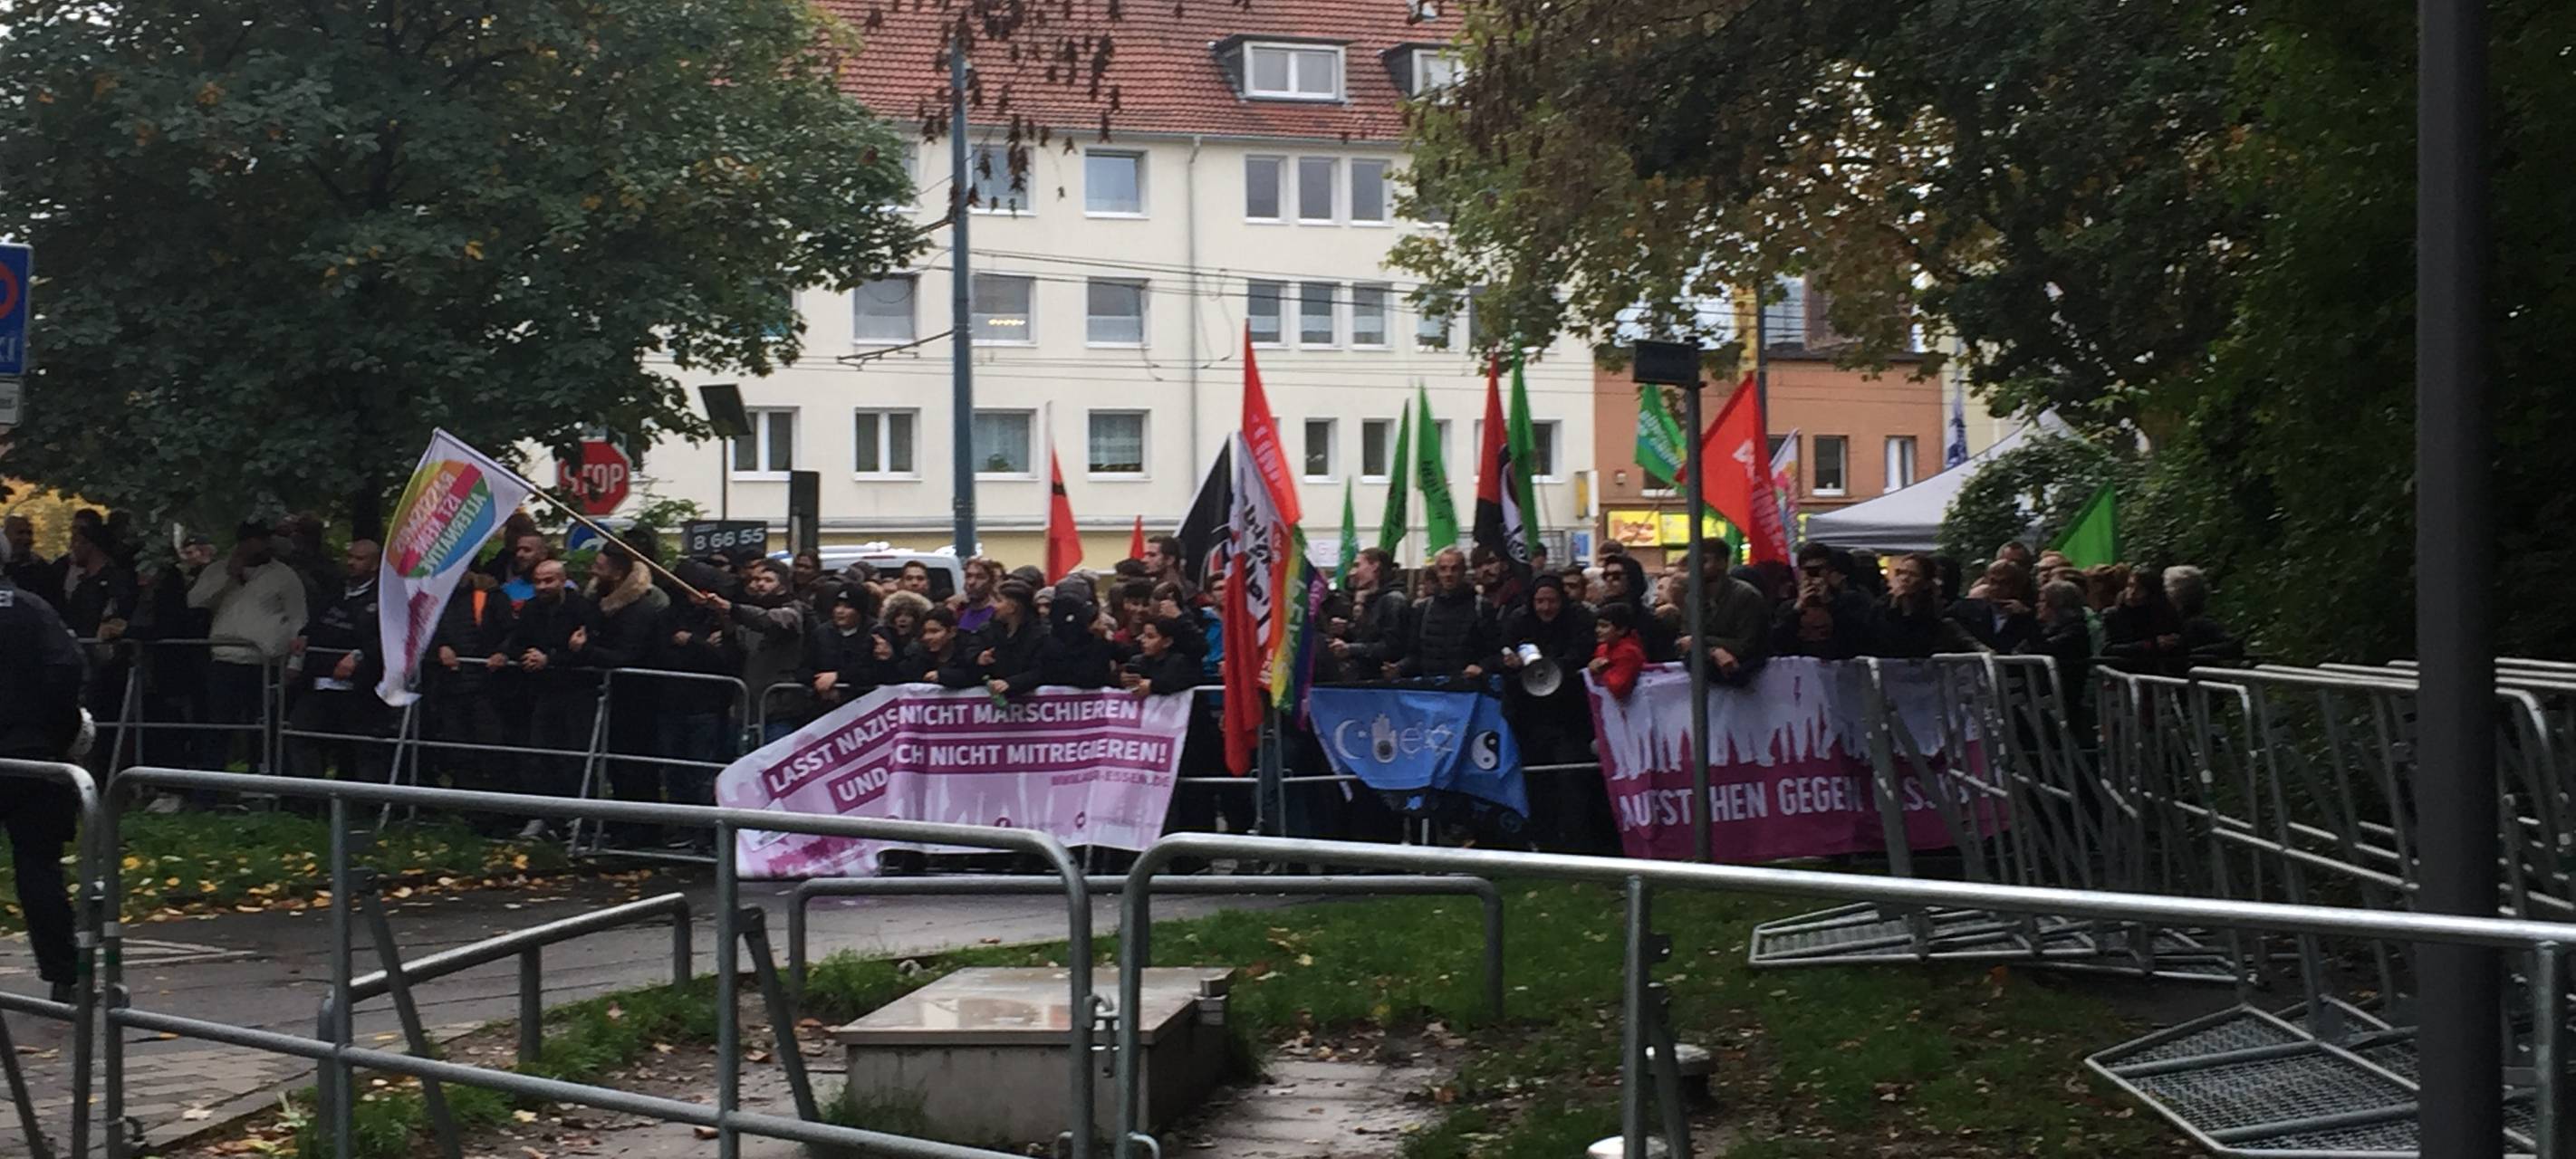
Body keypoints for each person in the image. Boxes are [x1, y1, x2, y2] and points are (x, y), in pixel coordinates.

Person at [0, 534, 90, 1003]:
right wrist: (54, 736)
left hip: (27, 747)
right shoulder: (32, 610)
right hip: (30, 754)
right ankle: (64, 976)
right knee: (39, 867)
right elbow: (68, 668)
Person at [186, 521, 308, 790]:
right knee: (218, 729)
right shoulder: (217, 571)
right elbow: (195, 601)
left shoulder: (284, 576)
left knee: (262, 731)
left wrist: (295, 663)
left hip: (263, 663)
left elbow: (299, 621)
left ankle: (261, 788)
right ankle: (209, 791)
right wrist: (228, 575)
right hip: (224, 659)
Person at [497, 559, 601, 832]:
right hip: (544, 690)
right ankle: (546, 815)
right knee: (540, 751)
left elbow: (588, 650)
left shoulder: (582, 608)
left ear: (562, 580)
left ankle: (582, 816)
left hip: (577, 689)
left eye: (549, 581)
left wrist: (551, 658)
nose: (542, 587)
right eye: (538, 581)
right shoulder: (532, 608)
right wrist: (525, 655)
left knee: (576, 755)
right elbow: (517, 641)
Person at [287, 539, 389, 789]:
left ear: (375, 564)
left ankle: (355, 804)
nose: (351, 563)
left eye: (360, 558)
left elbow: (388, 637)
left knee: (355, 748)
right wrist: (303, 638)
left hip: (358, 687)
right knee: (301, 735)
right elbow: (315, 622)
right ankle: (308, 800)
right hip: (318, 679)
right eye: (350, 557)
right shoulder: (334, 590)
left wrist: (359, 655)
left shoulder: (385, 598)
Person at [426, 570, 518, 800]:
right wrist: (439, 647)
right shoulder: (434, 596)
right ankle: (464, 804)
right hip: (449, 686)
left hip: (487, 687)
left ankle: (497, 807)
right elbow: (423, 630)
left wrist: (503, 653)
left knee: (492, 748)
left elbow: (513, 632)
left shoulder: (492, 596)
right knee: (457, 749)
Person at [706, 558, 807, 743]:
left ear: (783, 585)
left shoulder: (793, 611)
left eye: (768, 580)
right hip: (747, 706)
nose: (760, 584)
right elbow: (739, 648)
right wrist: (726, 619)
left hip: (778, 707)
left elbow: (768, 621)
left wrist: (732, 608)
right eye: (758, 579)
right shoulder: (748, 614)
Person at [1675, 539, 1770, 685]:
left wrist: (1701, 641)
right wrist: (1713, 651)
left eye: (1704, 561)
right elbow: (1684, 641)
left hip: (1749, 675)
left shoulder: (1745, 595)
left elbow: (1747, 645)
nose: (1696, 567)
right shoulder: (1692, 598)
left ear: (1722, 563)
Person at [1399, 548, 1497, 683]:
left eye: (1454, 569)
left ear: (1463, 572)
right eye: (1443, 569)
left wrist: (1482, 667)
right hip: (1432, 690)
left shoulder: (1482, 607)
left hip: (1468, 690)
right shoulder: (1423, 610)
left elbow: (1495, 652)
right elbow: (1415, 655)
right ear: (1437, 573)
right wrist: (1399, 668)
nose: (1448, 574)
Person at [1771, 541, 1877, 660]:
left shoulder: (1851, 601)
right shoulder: (1788, 607)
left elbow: (1861, 639)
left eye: (1819, 570)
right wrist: (1797, 610)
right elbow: (1777, 643)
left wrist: (1829, 602)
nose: (1813, 576)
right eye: (1809, 571)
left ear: (1830, 572)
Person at [1870, 552, 1985, 657]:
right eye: (1900, 573)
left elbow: (1918, 645)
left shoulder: (1935, 614)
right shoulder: (1879, 608)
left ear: (1926, 583)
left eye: (1913, 574)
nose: (1904, 578)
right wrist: (1894, 605)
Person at [1328, 548, 1410, 682]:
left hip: (1380, 683)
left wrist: (1350, 649)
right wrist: (1348, 630)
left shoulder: (1393, 600)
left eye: (1358, 565)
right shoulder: (1374, 600)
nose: (1352, 573)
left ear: (1375, 566)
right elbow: (1372, 636)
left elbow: (1392, 648)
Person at [947, 579, 1044, 691]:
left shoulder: (1038, 635)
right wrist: (978, 658)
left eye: (999, 601)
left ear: (1012, 607)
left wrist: (1011, 683)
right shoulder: (987, 630)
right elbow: (966, 656)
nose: (994, 606)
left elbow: (1040, 671)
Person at [2102, 565, 2190, 676]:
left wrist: (2175, 642)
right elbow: (2108, 650)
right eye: (2130, 586)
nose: (2132, 593)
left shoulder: (2163, 614)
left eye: (2139, 589)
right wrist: (2150, 645)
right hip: (2124, 676)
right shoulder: (2114, 615)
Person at [1594, 552, 1675, 662]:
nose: (1609, 580)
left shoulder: (1648, 620)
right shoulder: (1597, 613)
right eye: (1606, 575)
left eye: (1616, 576)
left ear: (1632, 578)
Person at [1951, 559, 2040, 653]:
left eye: (2004, 583)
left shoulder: (2030, 615)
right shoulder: (1967, 609)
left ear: (2017, 586)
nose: (1996, 588)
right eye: (1993, 582)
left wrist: (2025, 615)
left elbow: (2038, 643)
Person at [2163, 565, 2245, 663]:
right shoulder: (2168, 622)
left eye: (2165, 591)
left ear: (2174, 595)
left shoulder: (2197, 623)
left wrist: (2189, 654)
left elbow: (2234, 645)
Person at [1120, 617, 1201, 696]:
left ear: (1167, 642)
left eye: (1150, 637)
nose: (1143, 641)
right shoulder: (1137, 661)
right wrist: (1122, 679)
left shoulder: (1180, 662)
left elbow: (1176, 682)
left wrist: (1153, 686)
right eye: (1143, 636)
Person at [1590, 603, 1648, 703]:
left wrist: (1603, 669)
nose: (1597, 630)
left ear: (1621, 630)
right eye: (1597, 625)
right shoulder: (1602, 649)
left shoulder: (1629, 652)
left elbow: (1619, 689)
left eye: (1604, 626)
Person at [899, 605, 963, 683]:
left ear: (952, 632)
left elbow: (972, 675)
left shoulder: (966, 653)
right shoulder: (917, 655)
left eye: (934, 631)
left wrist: (943, 676)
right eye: (925, 632)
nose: (927, 637)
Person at [954, 556, 1003, 634]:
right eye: (968, 576)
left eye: (980, 577)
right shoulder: (959, 610)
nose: (971, 582)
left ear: (991, 581)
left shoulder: (999, 613)